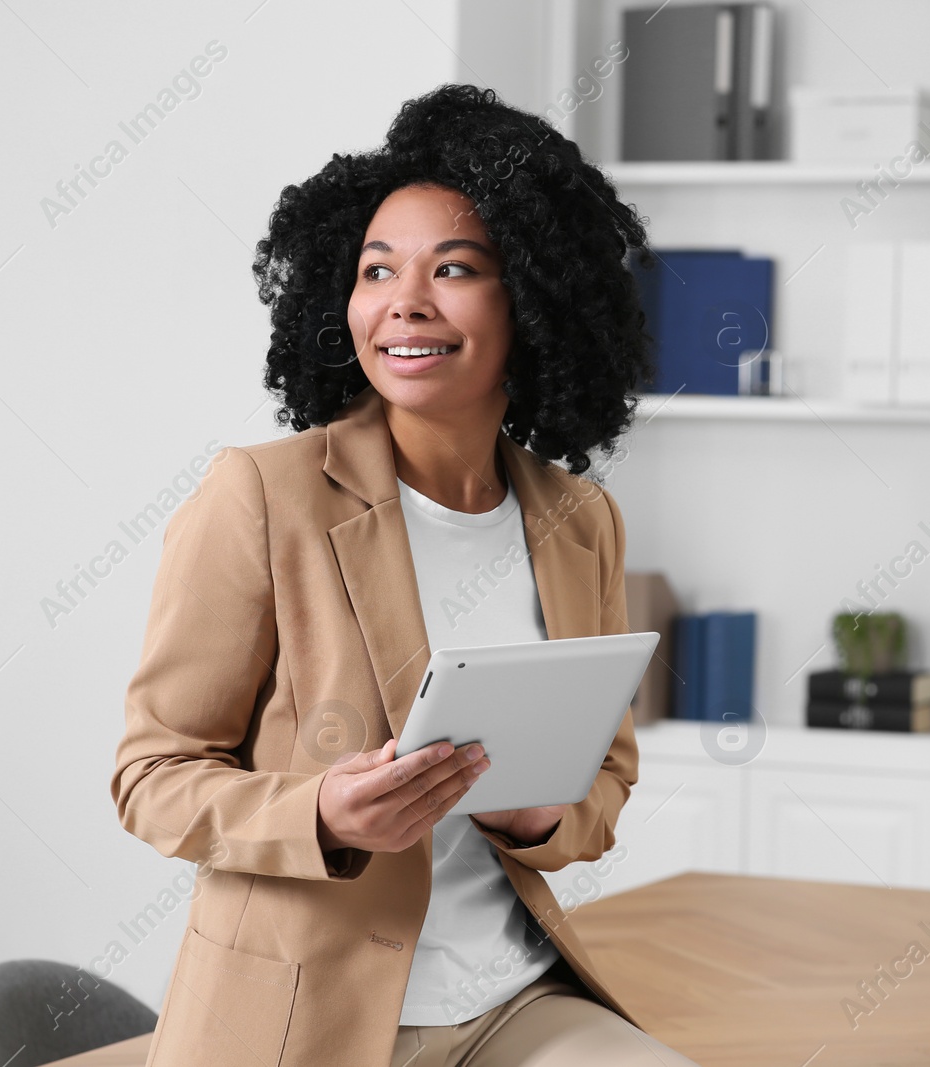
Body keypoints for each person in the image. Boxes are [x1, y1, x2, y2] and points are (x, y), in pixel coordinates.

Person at [111, 83, 698, 1067]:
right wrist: (321, 812)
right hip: (307, 1019)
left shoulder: (578, 520)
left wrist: (543, 813)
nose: (404, 301)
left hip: (510, 997)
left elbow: (607, 778)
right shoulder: (261, 495)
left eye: (454, 268)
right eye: (377, 269)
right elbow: (151, 777)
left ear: (534, 299)